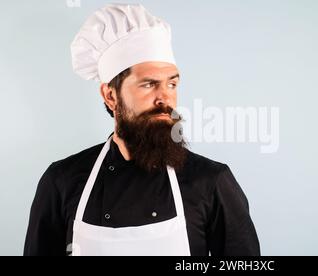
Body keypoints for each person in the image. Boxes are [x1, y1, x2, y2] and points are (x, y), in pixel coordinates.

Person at [24, 3, 260, 256]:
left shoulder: (211, 181)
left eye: (172, 84)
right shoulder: (61, 181)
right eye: (148, 84)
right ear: (110, 95)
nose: (164, 99)